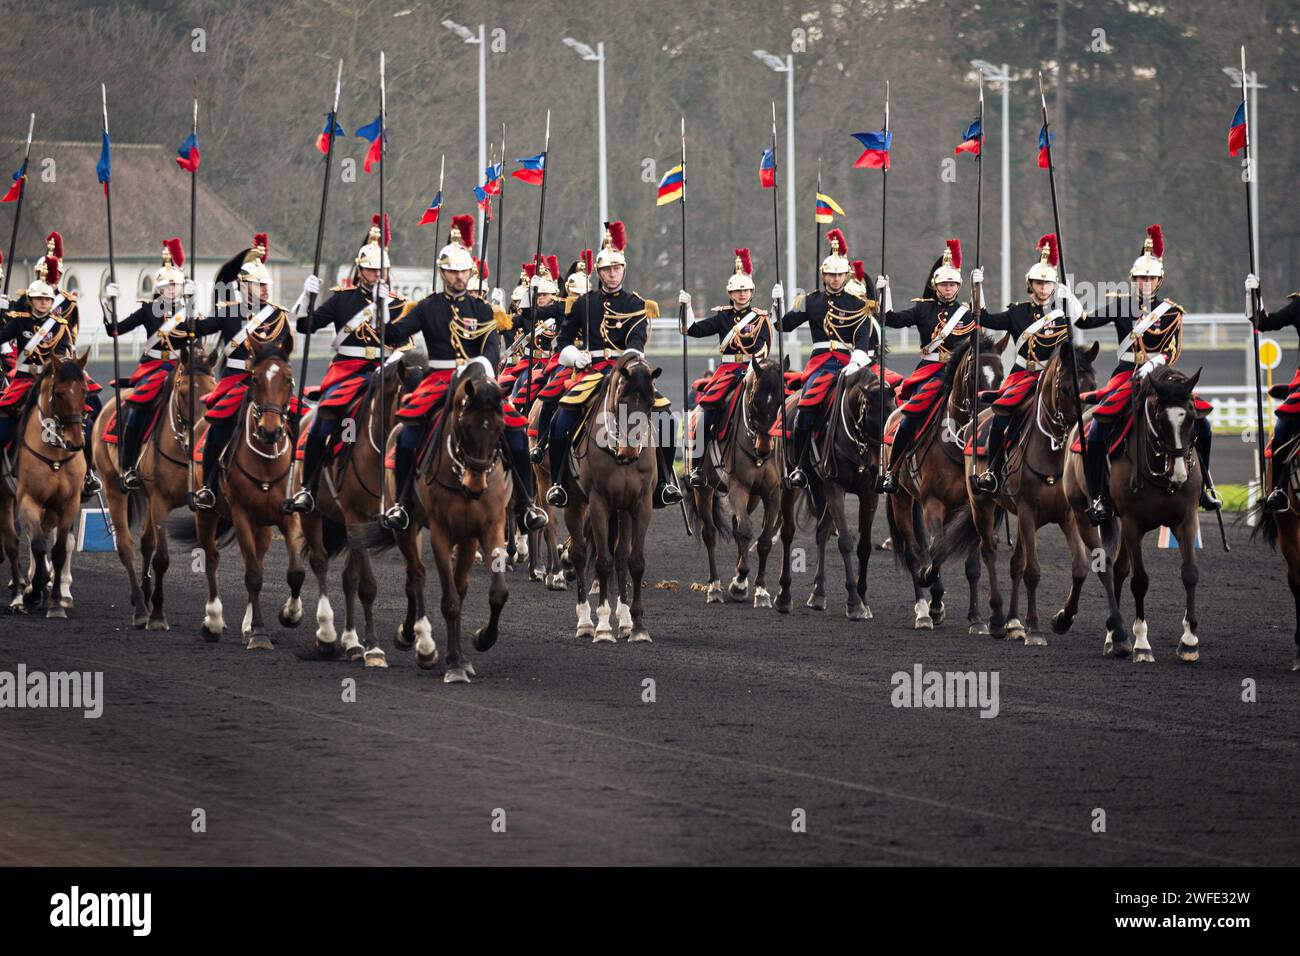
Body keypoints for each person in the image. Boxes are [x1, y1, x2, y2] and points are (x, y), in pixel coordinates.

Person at [379, 214, 547, 533]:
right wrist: (381, 309)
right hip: (439, 381)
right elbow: (394, 334)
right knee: (408, 432)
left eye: (463, 272)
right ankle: (401, 502)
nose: (458, 277)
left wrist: (482, 367)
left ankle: (525, 505)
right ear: (443, 272)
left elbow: (492, 347)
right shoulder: (427, 307)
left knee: (514, 429)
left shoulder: (482, 310)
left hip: (477, 382)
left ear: (470, 272)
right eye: (452, 272)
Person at [1074, 224, 1217, 523]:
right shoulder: (1120, 304)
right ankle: (1099, 495)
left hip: (1163, 377)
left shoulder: (1170, 311)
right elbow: (1085, 322)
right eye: (1140, 277)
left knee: (1203, 424)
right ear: (1134, 279)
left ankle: (1206, 487)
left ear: (1159, 279)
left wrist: (1157, 361)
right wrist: (1068, 299)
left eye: (1150, 277)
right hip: (1126, 375)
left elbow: (1174, 349)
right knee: (1099, 427)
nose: (1145, 282)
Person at [533, 222, 681, 509]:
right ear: (599, 272)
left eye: (617, 269)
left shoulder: (637, 304)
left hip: (628, 372)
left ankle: (664, 482)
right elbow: (563, 339)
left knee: (665, 417)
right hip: (592, 371)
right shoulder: (583, 304)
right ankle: (561, 483)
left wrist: (625, 365)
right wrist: (574, 356)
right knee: (560, 418)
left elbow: (637, 343)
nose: (612, 274)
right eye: (607, 269)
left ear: (623, 270)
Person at [284, 215, 408, 513]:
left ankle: (407, 493)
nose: (374, 274)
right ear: (359, 269)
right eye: (369, 269)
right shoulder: (343, 301)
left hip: (384, 371)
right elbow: (305, 326)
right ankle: (308, 487)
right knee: (324, 418)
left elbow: (401, 343)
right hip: (347, 370)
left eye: (379, 269)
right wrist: (307, 295)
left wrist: (384, 308)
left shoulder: (397, 303)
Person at [970, 234, 1083, 495]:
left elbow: (1079, 325)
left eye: (1048, 284)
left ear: (1054, 287)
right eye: (1038, 283)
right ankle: (993, 471)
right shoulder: (1017, 312)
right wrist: (977, 288)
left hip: (1052, 377)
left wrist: (1071, 298)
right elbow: (985, 318)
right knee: (1001, 415)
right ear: (1030, 285)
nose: (1043, 289)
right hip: (1022, 374)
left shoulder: (1062, 313)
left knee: (1078, 412)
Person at [189, 233, 295, 511]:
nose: (264, 291)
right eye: (259, 286)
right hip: (236, 380)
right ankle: (209, 487)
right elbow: (197, 329)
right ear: (244, 287)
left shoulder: (278, 316)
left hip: (267, 384)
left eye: (266, 286)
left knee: (300, 417)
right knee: (218, 427)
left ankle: (301, 484)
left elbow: (284, 353)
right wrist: (187, 306)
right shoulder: (229, 312)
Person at [775, 228, 879, 493]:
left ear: (846, 275)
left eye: (839, 275)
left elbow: (863, 339)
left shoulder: (858, 305)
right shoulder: (809, 301)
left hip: (850, 365)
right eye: (831, 275)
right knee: (805, 408)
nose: (835, 279)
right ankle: (799, 466)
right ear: (824, 276)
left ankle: (880, 464)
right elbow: (783, 326)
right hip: (820, 365)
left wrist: (856, 362)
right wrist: (778, 303)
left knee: (878, 402)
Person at [0, 233, 102, 497]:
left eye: (47, 298)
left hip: (55, 377)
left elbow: (67, 346)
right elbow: (6, 331)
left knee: (88, 411)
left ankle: (88, 471)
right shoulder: (21, 311)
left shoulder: (63, 317)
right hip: (24, 377)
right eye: (39, 298)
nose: (44, 301)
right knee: (3, 415)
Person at [876, 239, 980, 493]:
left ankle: (986, 470)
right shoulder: (923, 309)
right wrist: (884, 292)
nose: (948, 288)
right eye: (944, 284)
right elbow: (891, 319)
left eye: (953, 284)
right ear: (935, 286)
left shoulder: (966, 313)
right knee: (912, 414)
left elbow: (981, 335)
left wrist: (979, 290)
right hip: (931, 371)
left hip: (959, 372)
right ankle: (893, 469)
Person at [106, 238, 196, 492]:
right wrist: (109, 304)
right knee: (138, 409)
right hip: (154, 368)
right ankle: (128, 466)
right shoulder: (148, 310)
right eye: (167, 285)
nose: (172, 289)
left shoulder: (187, 310)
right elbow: (116, 330)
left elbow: (196, 339)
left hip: (181, 368)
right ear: (159, 287)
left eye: (175, 285)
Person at [678, 247, 773, 487]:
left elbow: (763, 347)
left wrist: (755, 368)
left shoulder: (761, 318)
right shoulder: (722, 318)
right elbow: (693, 331)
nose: (742, 294)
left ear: (752, 292)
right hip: (728, 372)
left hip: (754, 371)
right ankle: (698, 467)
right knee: (704, 414)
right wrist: (686, 308)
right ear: (730, 293)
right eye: (737, 291)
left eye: (745, 290)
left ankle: (783, 462)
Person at [1250, 277, 1300, 512]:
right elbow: (1264, 323)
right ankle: (1279, 491)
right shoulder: (1298, 306)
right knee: (1281, 430)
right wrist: (1254, 296)